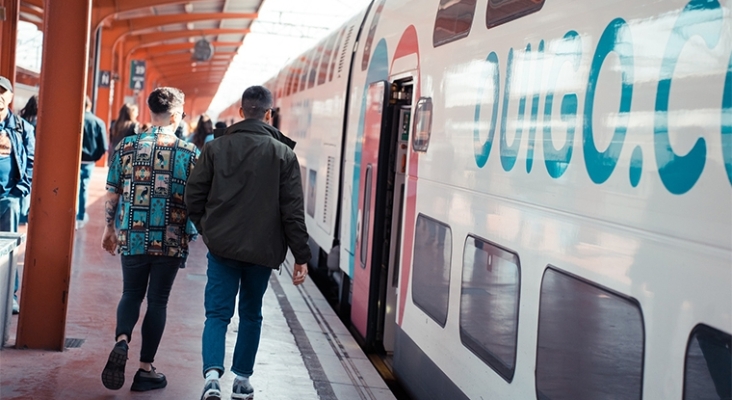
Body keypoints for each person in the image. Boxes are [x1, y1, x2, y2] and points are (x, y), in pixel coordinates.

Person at [185, 85, 310, 400]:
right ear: (269, 114)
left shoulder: (215, 148)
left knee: (217, 314)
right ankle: (242, 382)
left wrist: (208, 230)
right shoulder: (284, 154)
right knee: (252, 314)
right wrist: (301, 256)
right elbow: (292, 211)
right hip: (262, 251)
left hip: (222, 248)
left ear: (241, 112)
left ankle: (212, 377)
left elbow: (193, 197)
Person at [100, 87, 199, 392]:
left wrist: (109, 228)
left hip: (133, 233)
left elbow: (113, 193)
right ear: (173, 115)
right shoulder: (189, 152)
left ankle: (121, 340)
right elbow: (196, 200)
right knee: (158, 300)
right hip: (170, 238)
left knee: (131, 293)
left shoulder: (127, 146)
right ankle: (145, 369)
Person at [0, 76, 35, 315]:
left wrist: (19, 192)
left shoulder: (22, 128)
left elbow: (32, 162)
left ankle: (9, 294)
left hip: (8, 197)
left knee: (9, 246)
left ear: (10, 97)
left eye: (3, 92)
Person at [77, 96, 108, 229]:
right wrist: (94, 157)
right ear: (89, 105)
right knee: (83, 187)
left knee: (72, 188)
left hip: (75, 160)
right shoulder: (98, 122)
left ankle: (70, 214)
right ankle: (80, 216)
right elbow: (103, 146)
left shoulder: (75, 119)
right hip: (88, 161)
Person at [18, 94, 38, 224]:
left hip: (20, 159)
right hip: (34, 159)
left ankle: (21, 213)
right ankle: (25, 213)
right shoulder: (40, 123)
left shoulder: (20, 120)